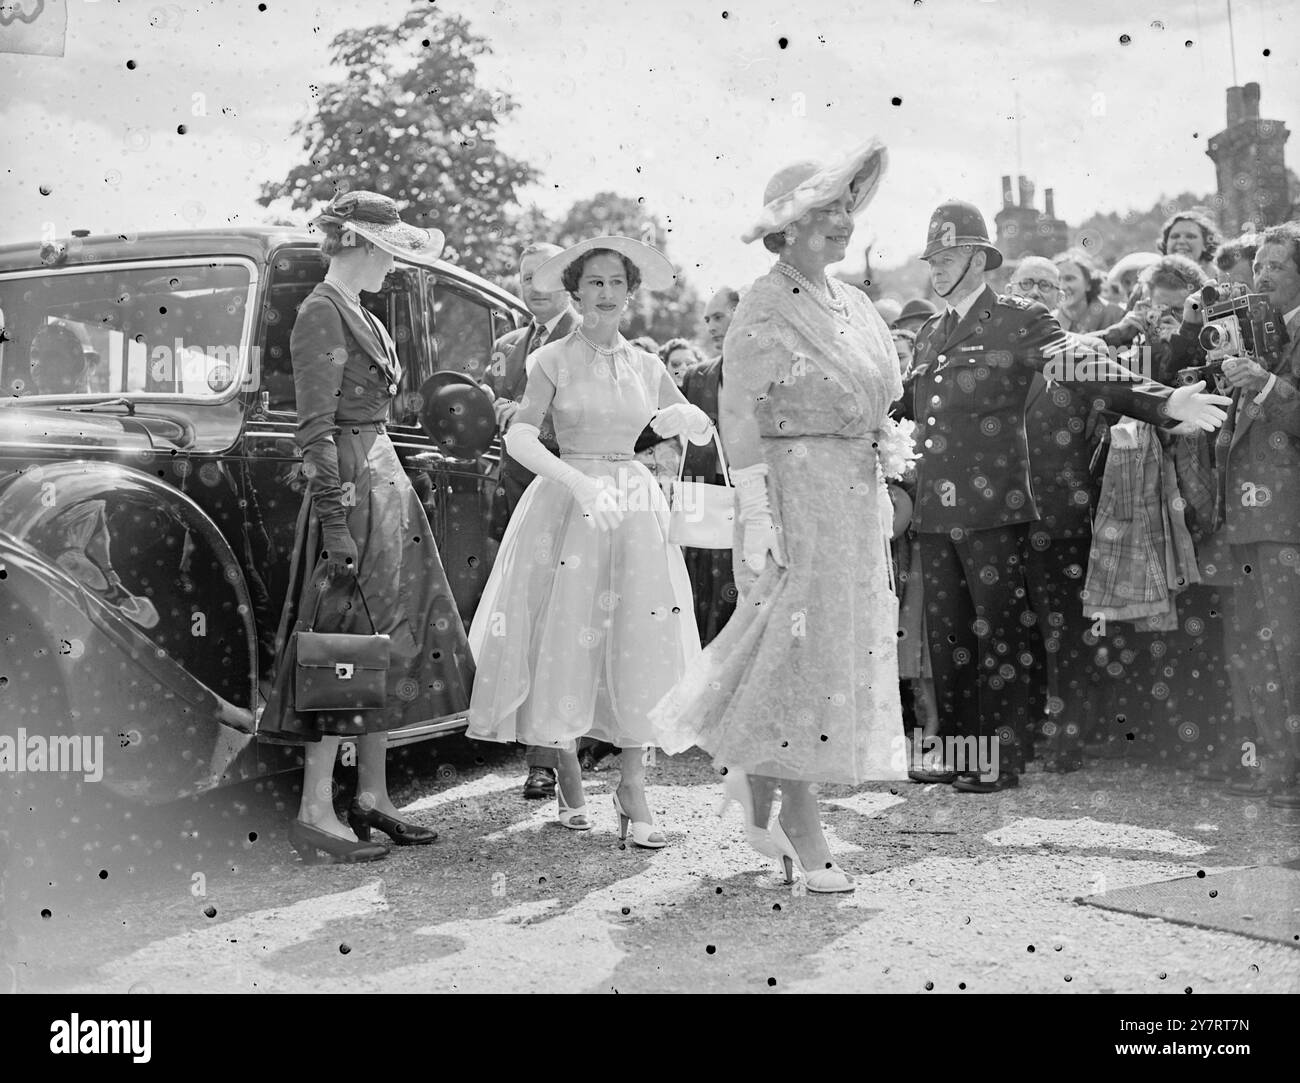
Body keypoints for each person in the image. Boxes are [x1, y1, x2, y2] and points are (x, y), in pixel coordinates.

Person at [897, 199, 1233, 794]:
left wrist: (1162, 401)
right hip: (935, 510)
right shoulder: (930, 332)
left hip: (995, 506)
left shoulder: (1017, 318)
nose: (938, 267)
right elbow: (906, 412)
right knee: (946, 632)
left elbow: (1084, 363)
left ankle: (997, 758)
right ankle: (957, 752)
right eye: (933, 257)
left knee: (995, 632)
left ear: (979, 258)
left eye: (948, 256)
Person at [653, 139, 910, 894]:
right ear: (786, 227)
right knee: (793, 657)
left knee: (829, 655)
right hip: (795, 493)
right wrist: (759, 511)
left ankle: (761, 792)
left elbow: (875, 398)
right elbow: (737, 410)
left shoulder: (852, 301)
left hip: (852, 496)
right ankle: (802, 828)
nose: (842, 222)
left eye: (845, 209)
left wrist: (882, 452)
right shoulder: (764, 302)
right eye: (823, 211)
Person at [467, 236, 710, 847]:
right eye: (594, 282)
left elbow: (689, 432)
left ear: (631, 293)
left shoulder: (650, 367)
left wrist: (692, 423)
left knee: (639, 636)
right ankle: (568, 772)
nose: (605, 293)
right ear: (574, 290)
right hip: (569, 501)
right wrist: (574, 480)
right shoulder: (550, 360)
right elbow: (521, 436)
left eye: (616, 283)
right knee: (565, 633)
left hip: (632, 507)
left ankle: (633, 786)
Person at [262, 191, 474, 864]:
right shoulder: (321, 312)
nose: (395, 260)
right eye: (387, 247)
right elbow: (314, 431)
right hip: (351, 488)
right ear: (356, 243)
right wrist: (336, 522)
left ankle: (374, 795)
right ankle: (317, 807)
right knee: (343, 642)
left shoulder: (363, 313)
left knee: (383, 641)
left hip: (383, 483)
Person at [1174, 222, 1300, 807]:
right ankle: (1277, 764)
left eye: (1276, 265)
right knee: (1254, 645)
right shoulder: (1253, 339)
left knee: (1291, 647)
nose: (1263, 274)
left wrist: (1269, 385)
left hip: (1286, 526)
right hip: (1244, 523)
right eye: (1258, 267)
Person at [482, 242, 584, 800]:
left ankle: (556, 753)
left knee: (563, 621)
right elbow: (489, 402)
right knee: (524, 618)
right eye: (524, 277)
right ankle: (537, 747)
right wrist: (497, 410)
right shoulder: (505, 346)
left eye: (543, 276)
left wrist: (527, 419)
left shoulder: (584, 337)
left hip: (567, 489)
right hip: (515, 492)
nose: (534, 286)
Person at [680, 288, 741, 644]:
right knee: (706, 599)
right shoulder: (696, 377)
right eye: (707, 320)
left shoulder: (773, 372)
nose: (711, 327)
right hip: (707, 500)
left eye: (719, 317)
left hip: (756, 500)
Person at [1053, 248, 1124, 335]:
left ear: (1088, 284)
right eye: (1057, 279)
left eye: (1069, 279)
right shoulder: (1050, 322)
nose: (1062, 286)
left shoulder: (1115, 316)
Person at [27, 322, 90, 395]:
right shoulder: (19, 404)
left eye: (50, 356)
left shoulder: (93, 405)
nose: (39, 362)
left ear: (77, 364)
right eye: (34, 354)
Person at [1157, 208, 1221, 279]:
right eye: (1175, 236)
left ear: (1206, 245)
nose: (1181, 241)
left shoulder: (1223, 279)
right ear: (1166, 243)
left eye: (1190, 236)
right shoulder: (1151, 279)